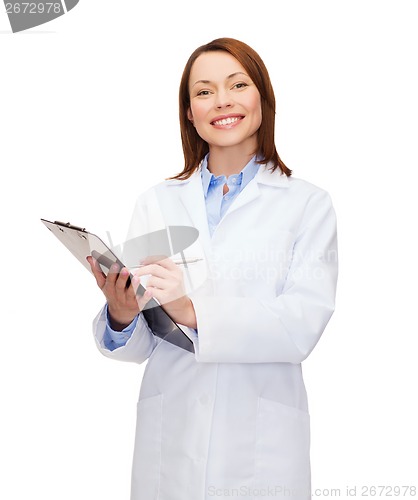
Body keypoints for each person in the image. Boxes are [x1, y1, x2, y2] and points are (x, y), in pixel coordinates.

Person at [88, 37, 338, 500]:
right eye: (203, 91)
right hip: (172, 441)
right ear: (189, 112)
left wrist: (191, 309)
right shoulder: (158, 202)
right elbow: (145, 342)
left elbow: (301, 324)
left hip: (262, 445)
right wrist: (122, 315)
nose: (221, 101)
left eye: (237, 85)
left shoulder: (307, 205)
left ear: (262, 96)